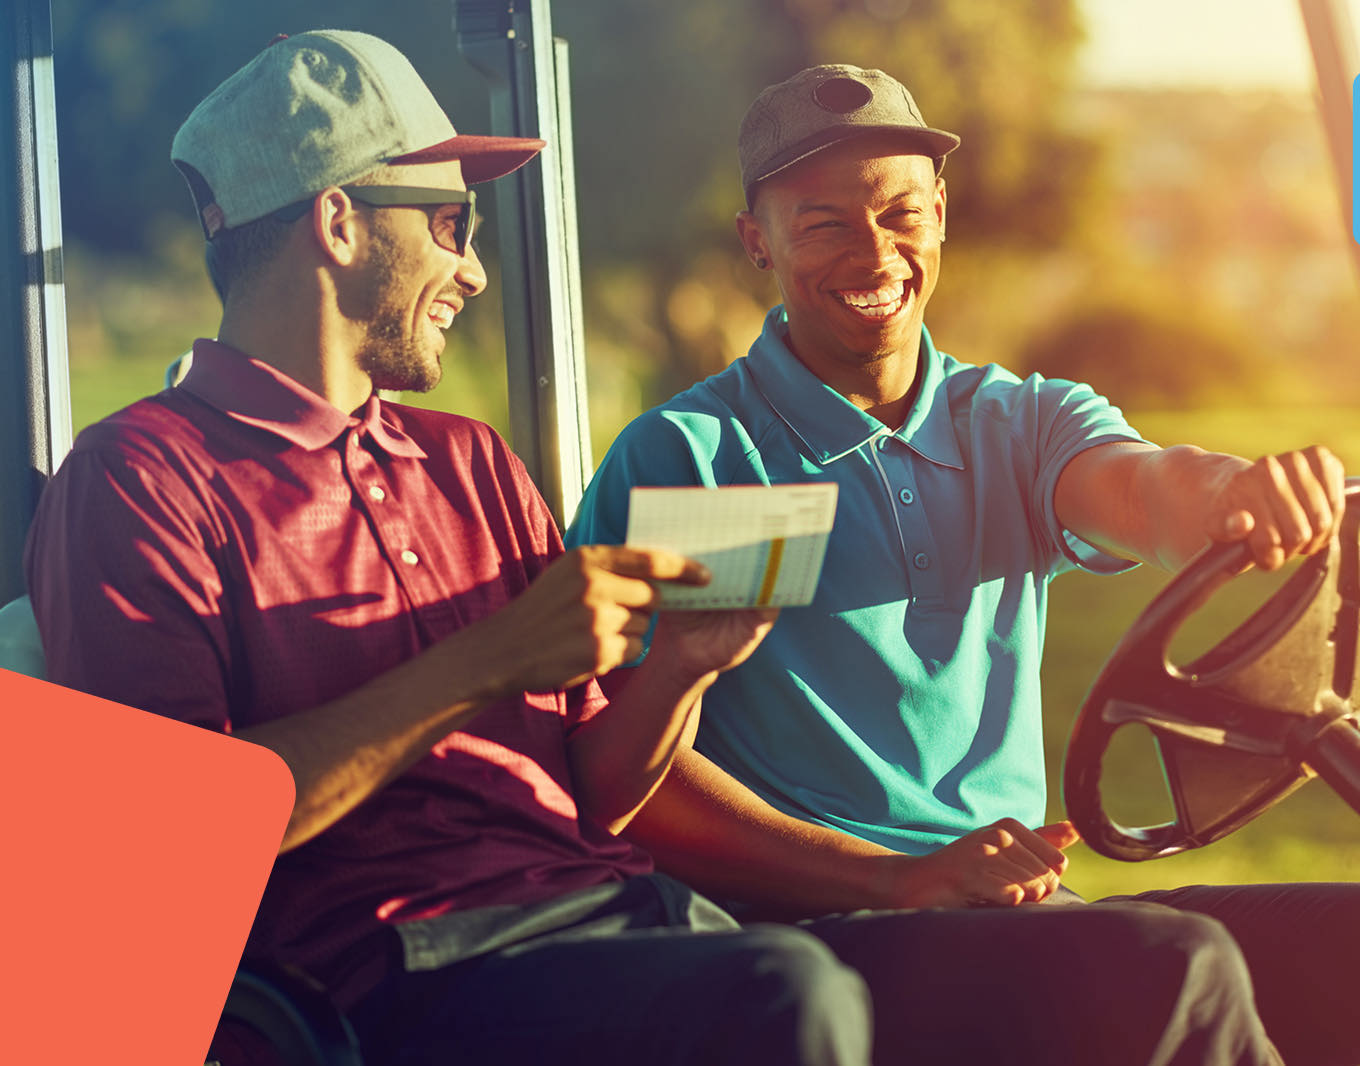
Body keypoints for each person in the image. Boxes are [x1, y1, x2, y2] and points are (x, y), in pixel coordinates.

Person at [568, 63, 1360, 1065]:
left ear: (939, 215)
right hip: (824, 933)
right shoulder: (709, 459)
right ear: (756, 242)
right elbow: (643, 781)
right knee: (1169, 961)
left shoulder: (1014, 424)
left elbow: (1146, 487)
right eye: (823, 225)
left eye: (903, 213)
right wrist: (898, 879)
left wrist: (1230, 495)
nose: (875, 252)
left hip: (1018, 914)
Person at [24, 32, 872, 1066]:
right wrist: (492, 657)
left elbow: (592, 788)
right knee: (782, 992)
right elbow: (161, 847)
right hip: (384, 988)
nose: (471, 267)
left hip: (612, 917)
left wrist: (680, 672)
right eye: (448, 221)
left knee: (1088, 955)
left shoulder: (469, 459)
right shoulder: (139, 478)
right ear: (338, 220)